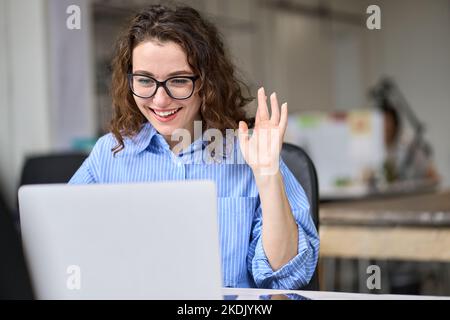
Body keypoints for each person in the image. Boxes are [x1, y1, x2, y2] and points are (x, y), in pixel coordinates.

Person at [69, 4, 319, 289]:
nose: (160, 100)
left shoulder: (250, 152)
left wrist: (266, 175)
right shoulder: (110, 153)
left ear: (206, 81)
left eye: (178, 80)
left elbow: (287, 277)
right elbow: (64, 245)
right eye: (144, 80)